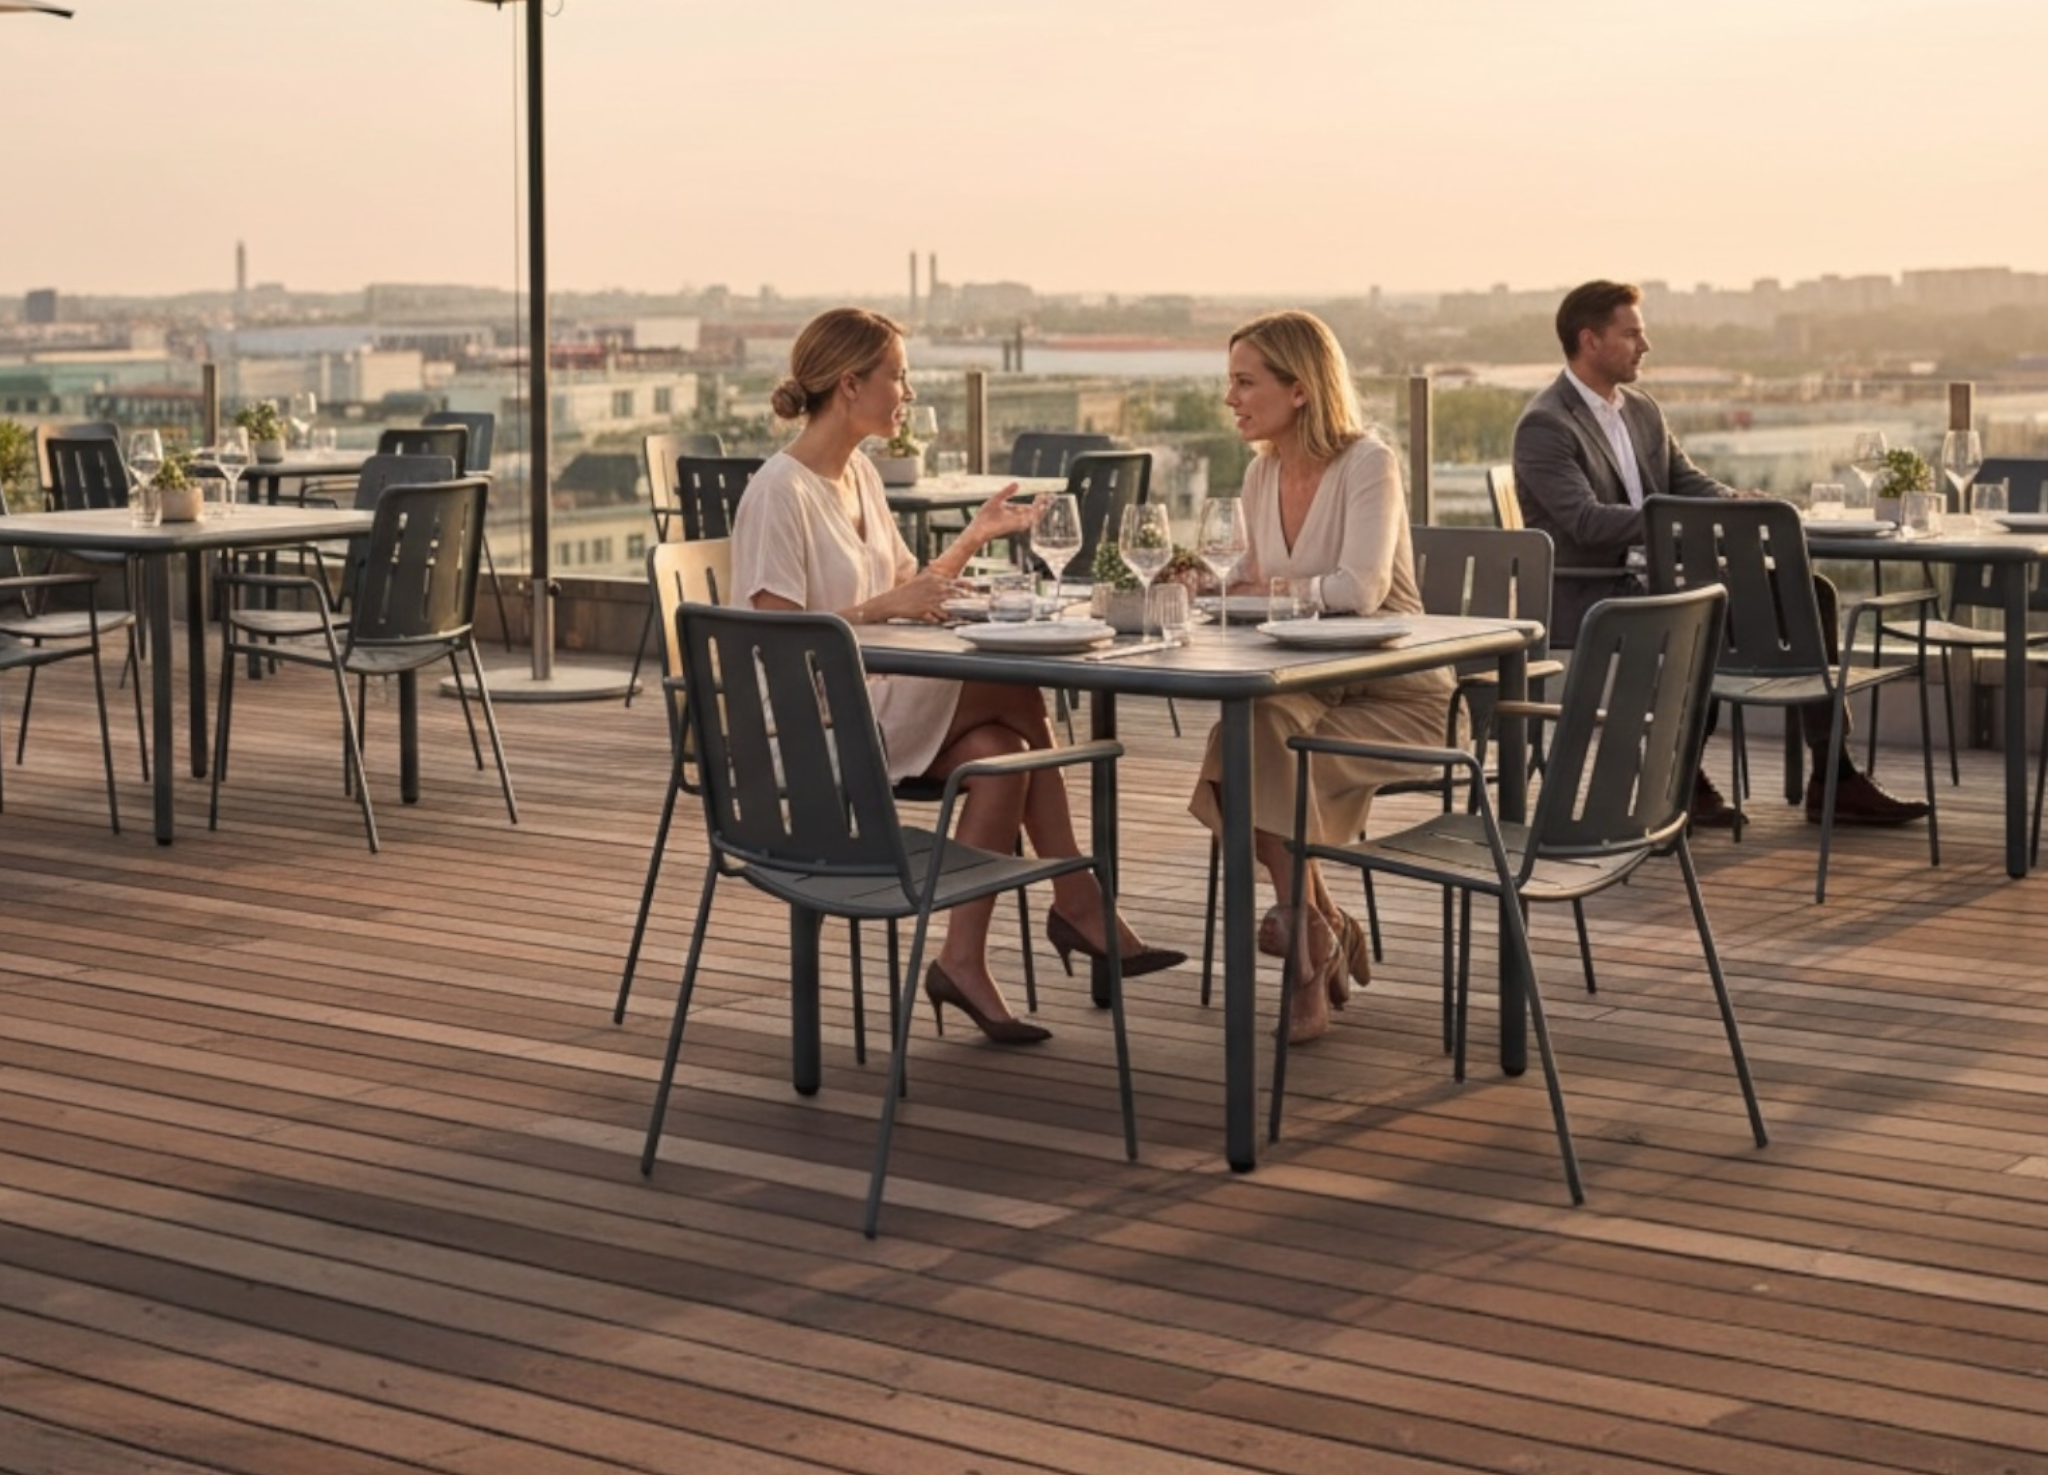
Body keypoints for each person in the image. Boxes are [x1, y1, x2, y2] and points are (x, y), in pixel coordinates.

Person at [731, 306, 1184, 1047]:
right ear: (850, 384)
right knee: (1015, 686)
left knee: (1002, 754)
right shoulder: (780, 491)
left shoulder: (860, 476)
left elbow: (913, 588)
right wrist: (885, 606)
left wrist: (972, 538)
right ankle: (1078, 899)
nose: (907, 394)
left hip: (871, 702)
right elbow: (776, 646)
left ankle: (961, 961)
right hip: (812, 730)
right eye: (898, 377)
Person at [1513, 278, 1926, 830]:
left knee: (1808, 592)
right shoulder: (1545, 425)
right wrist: (1688, 525)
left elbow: (1687, 481)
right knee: (1711, 607)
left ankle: (1834, 776)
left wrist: (1736, 503)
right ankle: (1678, 776)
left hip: (1658, 579)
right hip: (1593, 590)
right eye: (1631, 334)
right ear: (1589, 340)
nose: (1645, 345)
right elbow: (1587, 523)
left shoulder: (1640, 409)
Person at [1189, 310, 1453, 1045]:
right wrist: (1203, 585)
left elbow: (1359, 590)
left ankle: (1308, 958)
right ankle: (1318, 933)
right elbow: (1246, 581)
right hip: (1304, 685)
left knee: (1251, 759)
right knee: (1249, 735)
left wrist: (1258, 591)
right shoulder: (1260, 472)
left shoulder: (1368, 464)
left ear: (1300, 388)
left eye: (1245, 382)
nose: (1231, 399)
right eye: (1231, 382)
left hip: (1398, 693)